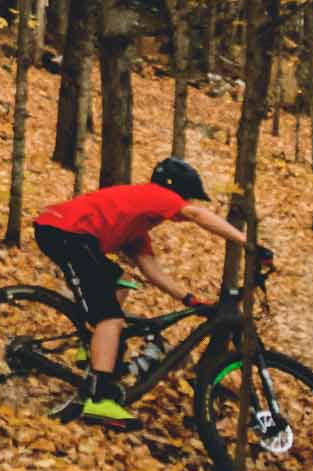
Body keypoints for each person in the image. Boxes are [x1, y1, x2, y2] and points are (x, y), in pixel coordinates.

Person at [32, 156, 253, 426]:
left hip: (65, 231)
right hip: (66, 232)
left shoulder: (138, 221)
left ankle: (89, 342)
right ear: (177, 191)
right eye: (187, 198)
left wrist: (189, 299)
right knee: (110, 318)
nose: (187, 205)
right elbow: (196, 215)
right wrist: (246, 242)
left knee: (121, 279)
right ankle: (99, 400)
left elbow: (151, 270)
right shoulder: (156, 194)